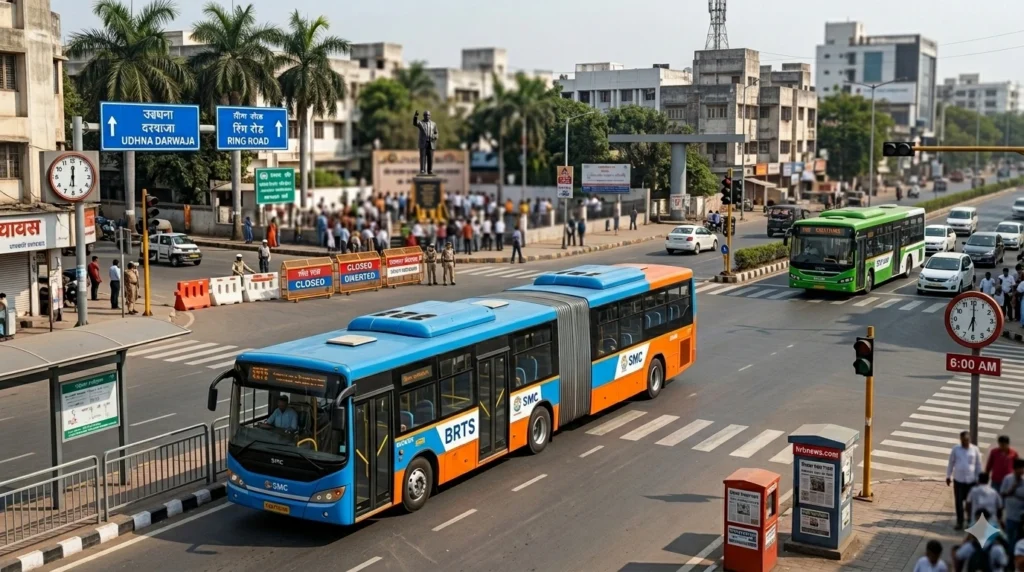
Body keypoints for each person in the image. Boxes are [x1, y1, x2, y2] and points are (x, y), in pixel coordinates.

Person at [948, 430, 985, 530]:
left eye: (967, 440)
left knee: (971, 502)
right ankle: (960, 522)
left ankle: (970, 521)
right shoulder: (956, 449)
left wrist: (979, 479)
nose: (965, 442)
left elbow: (978, 465)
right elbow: (951, 463)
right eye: (963, 440)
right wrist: (948, 476)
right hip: (958, 480)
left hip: (971, 481)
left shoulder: (975, 450)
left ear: (970, 439)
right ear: (961, 440)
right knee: (959, 502)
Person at [1002, 459, 1024, 548]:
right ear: (1015, 469)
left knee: (1019, 540)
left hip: (1022, 517)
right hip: (1010, 515)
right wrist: (1013, 487)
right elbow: (1003, 493)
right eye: (1020, 468)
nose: (1022, 470)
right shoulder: (1008, 478)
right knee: (1009, 538)